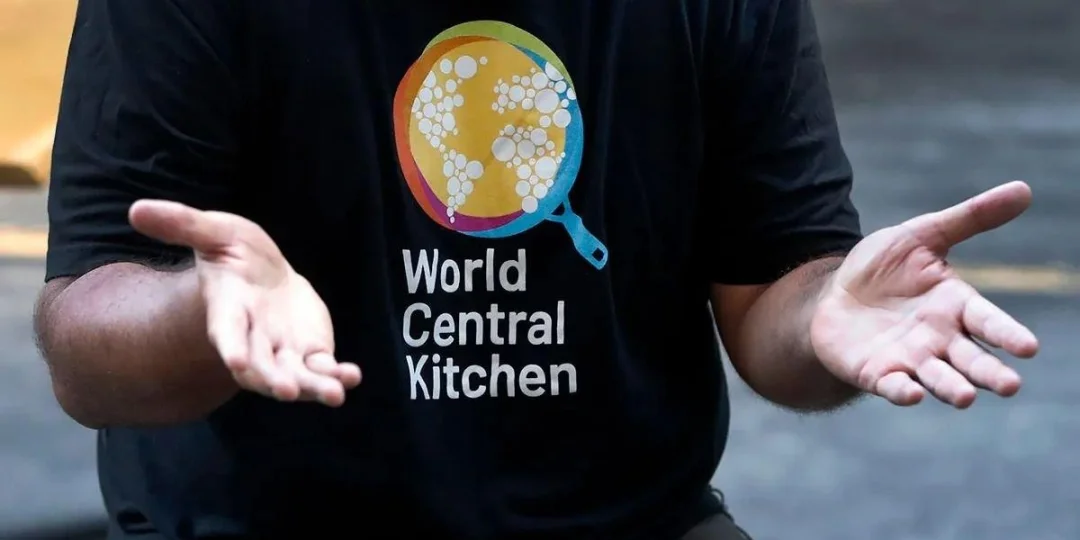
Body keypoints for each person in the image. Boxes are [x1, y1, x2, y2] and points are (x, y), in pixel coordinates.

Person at [34, 0, 1039, 539]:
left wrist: (821, 318)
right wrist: (202, 313)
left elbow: (769, 303)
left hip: (628, 521)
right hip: (260, 523)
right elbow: (86, 352)